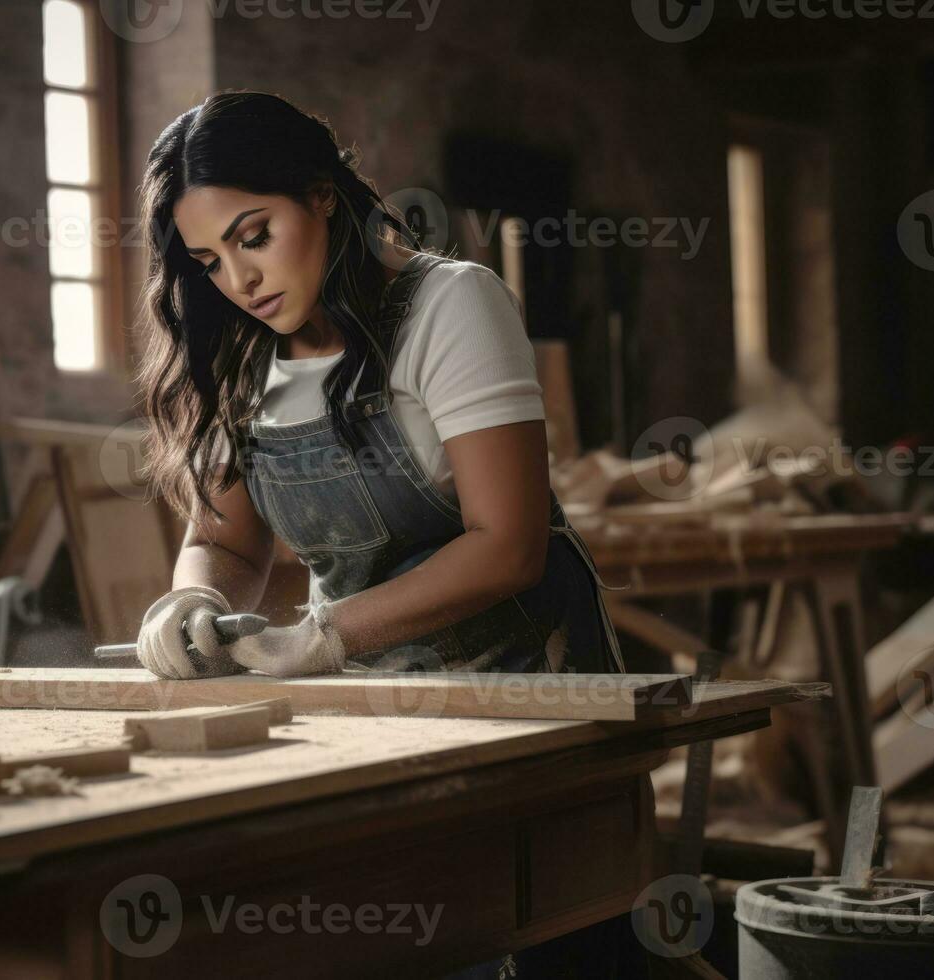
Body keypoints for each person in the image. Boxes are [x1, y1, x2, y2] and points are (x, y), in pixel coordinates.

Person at [132, 90, 624, 683]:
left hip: (527, 689)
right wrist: (194, 602)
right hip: (373, 701)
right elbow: (226, 544)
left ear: (322, 194)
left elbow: (508, 548)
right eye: (209, 261)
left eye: (255, 236)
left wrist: (326, 635)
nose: (240, 280)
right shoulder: (244, 357)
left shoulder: (452, 305)